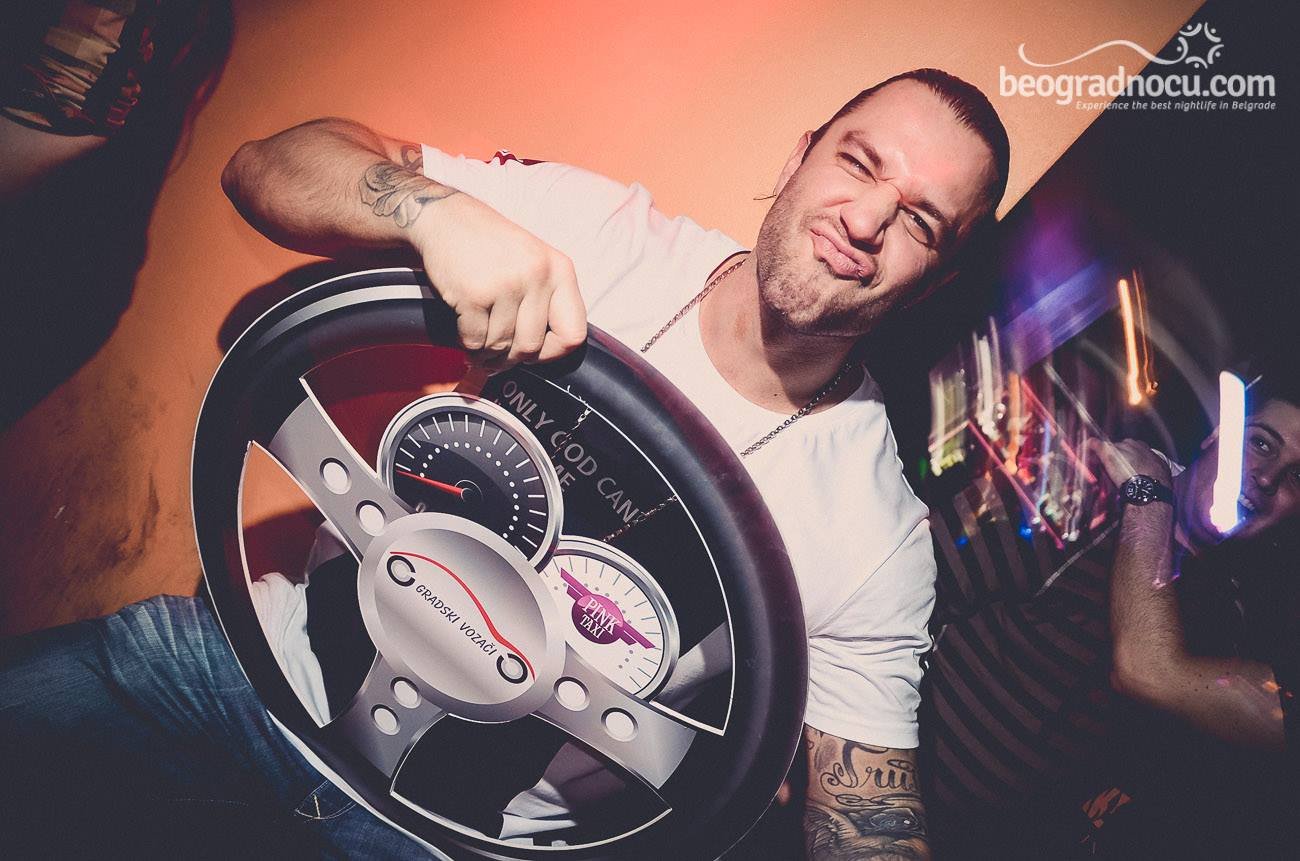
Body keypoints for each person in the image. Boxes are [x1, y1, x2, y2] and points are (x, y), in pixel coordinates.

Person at [2, 69, 1009, 858]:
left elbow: (869, 827)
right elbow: (266, 168)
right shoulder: (608, 237)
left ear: (937, 279)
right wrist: (434, 213)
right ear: (801, 155)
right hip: (257, 663)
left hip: (444, 838)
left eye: (919, 222)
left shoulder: (875, 537)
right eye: (856, 163)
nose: (864, 221)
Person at [917, 361, 1300, 858]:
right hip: (892, 789)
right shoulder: (1083, 491)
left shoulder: (1227, 620)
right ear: (1217, 436)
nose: (1266, 478)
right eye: (1261, 443)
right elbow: (898, 592)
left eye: (1297, 476)